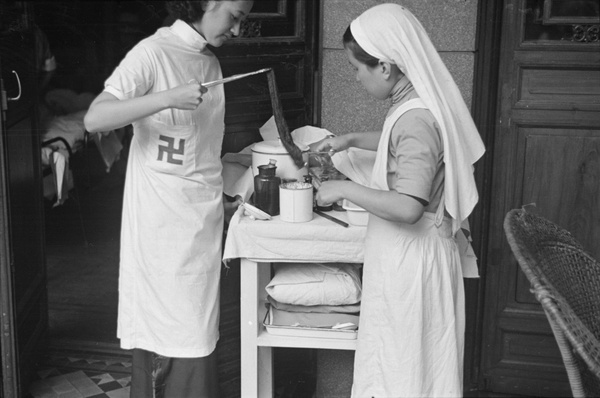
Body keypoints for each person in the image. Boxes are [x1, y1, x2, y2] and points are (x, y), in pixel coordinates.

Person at [314, 4, 485, 397]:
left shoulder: (416, 118)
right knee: (402, 368)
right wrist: (352, 139)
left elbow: (408, 207)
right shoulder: (414, 105)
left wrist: (342, 188)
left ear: (386, 67)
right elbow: (400, 142)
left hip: (414, 263)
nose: (357, 78)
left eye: (358, 69)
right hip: (411, 258)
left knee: (405, 374)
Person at [83, 1, 253, 396]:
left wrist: (222, 202)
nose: (239, 30)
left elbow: (202, 153)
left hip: (201, 222)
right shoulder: (152, 53)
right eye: (235, 17)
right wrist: (165, 98)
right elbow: (95, 118)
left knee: (198, 335)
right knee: (171, 339)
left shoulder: (209, 62)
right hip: (161, 232)